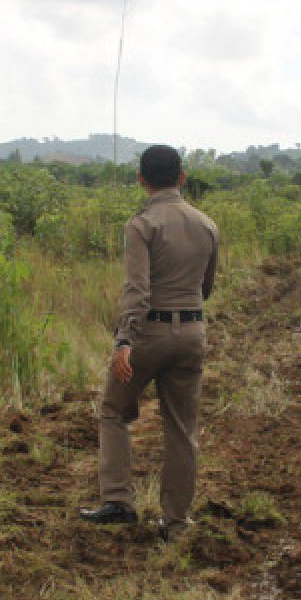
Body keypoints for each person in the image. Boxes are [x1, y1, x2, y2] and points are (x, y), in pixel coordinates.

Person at [79, 145, 219, 541]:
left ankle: (119, 501)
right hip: (192, 333)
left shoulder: (141, 225)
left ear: (141, 179)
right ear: (182, 177)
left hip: (148, 335)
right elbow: (205, 288)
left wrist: (124, 341)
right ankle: (175, 523)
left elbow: (137, 291)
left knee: (113, 411)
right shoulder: (207, 224)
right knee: (180, 429)